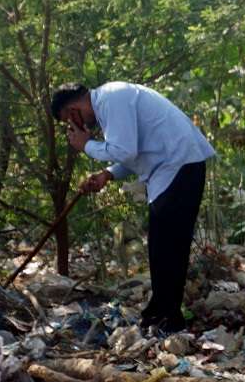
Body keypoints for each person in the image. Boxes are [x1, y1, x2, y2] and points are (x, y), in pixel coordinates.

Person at [50, 82, 215, 333]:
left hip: (178, 164)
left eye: (68, 121)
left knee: (167, 247)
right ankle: (161, 314)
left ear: (73, 109)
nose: (75, 126)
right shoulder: (110, 103)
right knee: (164, 246)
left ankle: (167, 319)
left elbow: (124, 150)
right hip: (175, 167)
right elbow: (132, 151)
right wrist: (108, 174)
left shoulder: (111, 99)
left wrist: (86, 146)